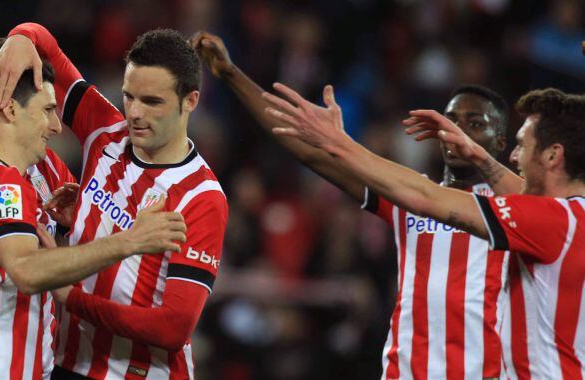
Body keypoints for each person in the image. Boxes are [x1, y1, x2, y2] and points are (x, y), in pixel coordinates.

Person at [192, 31, 511, 379]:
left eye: (476, 123)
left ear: (500, 141)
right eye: (452, 121)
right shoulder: (409, 193)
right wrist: (231, 73)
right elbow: (311, 153)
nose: (458, 132)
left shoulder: (519, 210)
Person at [265, 83, 585, 380]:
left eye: (521, 146)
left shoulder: (552, 220)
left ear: (553, 155)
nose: (514, 157)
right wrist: (479, 156)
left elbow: (424, 196)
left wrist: (340, 143)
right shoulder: (574, 218)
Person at [0, 23, 228, 379]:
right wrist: (22, 36)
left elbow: (172, 329)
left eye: (152, 101)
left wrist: (71, 297)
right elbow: (45, 43)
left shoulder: (202, 198)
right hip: (65, 363)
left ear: (190, 101)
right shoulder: (105, 131)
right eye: (129, 96)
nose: (135, 113)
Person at [0, 59, 186, 379]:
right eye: (46, 110)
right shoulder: (1, 182)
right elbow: (27, 270)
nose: (56, 125)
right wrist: (130, 240)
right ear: (11, 110)